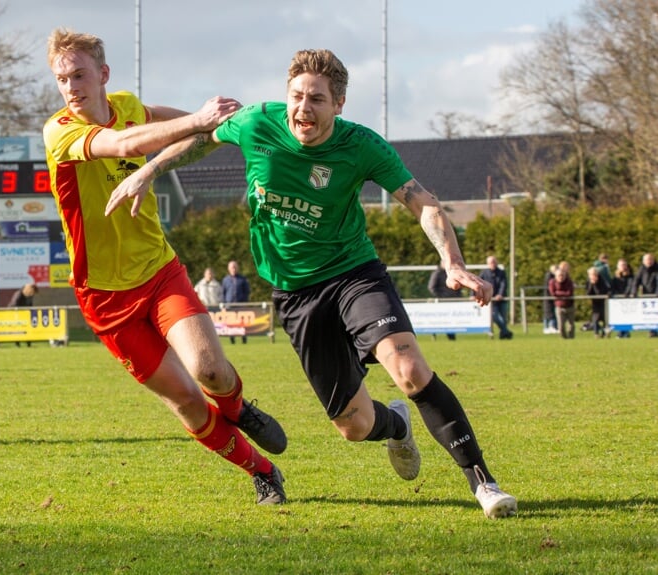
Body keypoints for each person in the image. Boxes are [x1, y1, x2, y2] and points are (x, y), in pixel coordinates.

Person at [107, 48, 516, 518]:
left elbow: (421, 201)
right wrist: (149, 169)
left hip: (353, 274)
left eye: (317, 99)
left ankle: (483, 482)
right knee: (355, 425)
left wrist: (452, 261)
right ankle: (397, 426)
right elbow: (205, 137)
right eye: (297, 96)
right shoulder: (259, 122)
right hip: (295, 294)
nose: (303, 109)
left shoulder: (362, 145)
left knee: (408, 369)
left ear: (339, 104)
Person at [43, 28, 287, 505]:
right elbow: (124, 145)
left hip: (159, 272)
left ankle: (238, 408)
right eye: (61, 79)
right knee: (187, 403)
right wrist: (198, 117)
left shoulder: (128, 104)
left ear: (103, 75)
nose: (71, 87)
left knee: (210, 371)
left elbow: (161, 124)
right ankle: (262, 471)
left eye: (79, 75)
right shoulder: (60, 131)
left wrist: (215, 128)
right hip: (104, 299)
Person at [480, 256, 514, 340]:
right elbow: (478, 283)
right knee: (496, 317)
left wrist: (500, 294)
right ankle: (506, 332)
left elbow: (503, 284)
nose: (493, 264)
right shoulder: (484, 273)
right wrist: (473, 294)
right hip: (491, 301)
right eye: (491, 262)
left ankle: (503, 334)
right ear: (488, 264)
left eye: (494, 262)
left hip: (501, 299)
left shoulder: (501, 272)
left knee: (503, 319)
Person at [427, 263, 462, 340]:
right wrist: (441, 296)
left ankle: (451, 337)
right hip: (443, 301)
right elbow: (432, 287)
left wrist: (458, 296)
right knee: (442, 319)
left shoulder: (453, 273)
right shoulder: (437, 273)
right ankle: (434, 334)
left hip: (453, 301)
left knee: (451, 320)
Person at [221, 260, 251, 344]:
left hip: (241, 305)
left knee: (242, 323)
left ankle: (244, 340)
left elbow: (247, 291)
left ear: (237, 268)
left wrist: (245, 302)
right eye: (231, 267)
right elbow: (223, 293)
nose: (233, 269)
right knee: (231, 324)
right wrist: (223, 305)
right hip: (229, 306)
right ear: (228, 269)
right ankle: (232, 340)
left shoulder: (243, 279)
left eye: (235, 267)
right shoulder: (225, 280)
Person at [632, 252, 658, 337]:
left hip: (656, 295)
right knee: (650, 315)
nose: (649, 261)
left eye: (650, 259)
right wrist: (634, 292)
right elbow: (636, 281)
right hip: (646, 296)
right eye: (647, 260)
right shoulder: (641, 269)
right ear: (643, 261)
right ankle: (652, 331)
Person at [6, 283, 38, 347]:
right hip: (15, 314)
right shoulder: (18, 294)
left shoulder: (30, 296)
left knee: (28, 328)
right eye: (33, 291)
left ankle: (28, 343)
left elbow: (30, 305)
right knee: (17, 329)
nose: (33, 294)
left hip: (24, 314)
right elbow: (14, 304)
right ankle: (17, 343)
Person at [549, 264, 576, 339]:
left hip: (570, 305)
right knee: (560, 325)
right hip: (559, 306)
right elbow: (553, 293)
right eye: (559, 275)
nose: (561, 277)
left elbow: (569, 293)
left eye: (562, 275)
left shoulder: (569, 281)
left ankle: (571, 339)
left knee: (571, 325)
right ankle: (563, 338)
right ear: (556, 276)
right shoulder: (552, 282)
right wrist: (563, 294)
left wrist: (559, 293)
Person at [610, 258, 634, 338]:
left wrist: (626, 294)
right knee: (619, 317)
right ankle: (620, 332)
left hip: (627, 300)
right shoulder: (615, 278)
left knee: (627, 316)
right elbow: (612, 288)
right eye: (621, 265)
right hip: (618, 300)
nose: (623, 267)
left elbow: (631, 285)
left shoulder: (631, 276)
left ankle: (626, 332)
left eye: (624, 265)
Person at [584, 266, 609, 337]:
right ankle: (596, 333)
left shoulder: (602, 280)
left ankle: (605, 333)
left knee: (605, 318)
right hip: (595, 303)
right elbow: (588, 293)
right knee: (595, 319)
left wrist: (595, 284)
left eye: (594, 274)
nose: (593, 276)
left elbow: (600, 292)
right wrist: (592, 284)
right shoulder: (588, 281)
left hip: (603, 302)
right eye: (591, 274)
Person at [541, 264, 559, 334]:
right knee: (550, 312)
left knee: (548, 312)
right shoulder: (550, 277)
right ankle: (550, 327)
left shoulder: (549, 276)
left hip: (549, 297)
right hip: (549, 297)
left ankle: (548, 327)